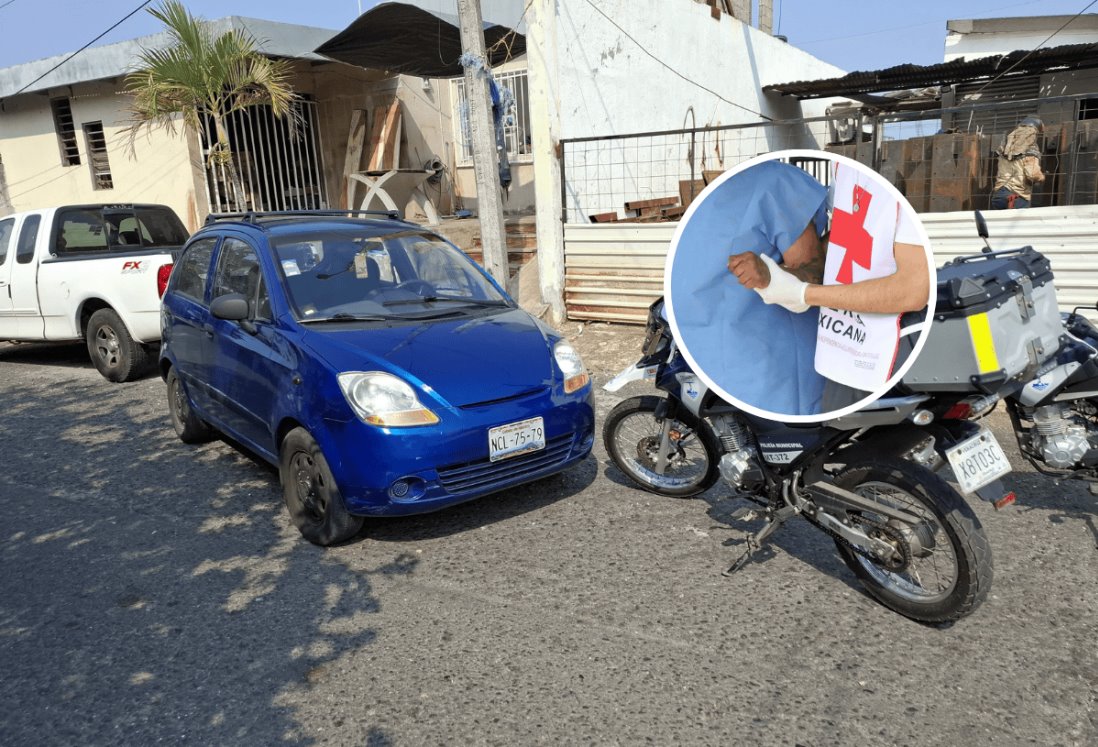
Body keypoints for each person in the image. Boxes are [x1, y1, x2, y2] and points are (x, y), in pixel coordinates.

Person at [729, 161, 930, 411]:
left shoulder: (895, 193)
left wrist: (803, 294)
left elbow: (912, 290)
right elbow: (844, 240)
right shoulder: (843, 171)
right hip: (840, 353)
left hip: (883, 354)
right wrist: (774, 275)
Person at [990, 116, 1045, 209]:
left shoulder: (1004, 148)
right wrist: (1042, 177)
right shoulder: (1031, 149)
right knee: (1019, 223)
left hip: (999, 195)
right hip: (1017, 197)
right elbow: (1032, 175)